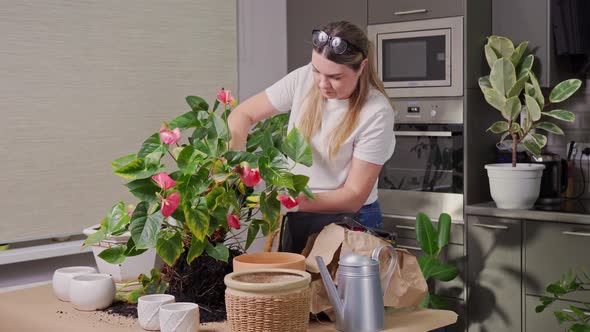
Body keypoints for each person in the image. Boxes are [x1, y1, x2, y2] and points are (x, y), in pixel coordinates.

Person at [228, 21, 395, 254]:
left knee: (339, 292)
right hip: (299, 217)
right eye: (317, 71)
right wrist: (237, 172)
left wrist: (292, 202)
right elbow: (242, 114)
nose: (322, 84)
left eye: (335, 77)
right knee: (297, 291)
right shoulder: (303, 79)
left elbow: (353, 196)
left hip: (352, 222)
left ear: (362, 67)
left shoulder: (376, 112)